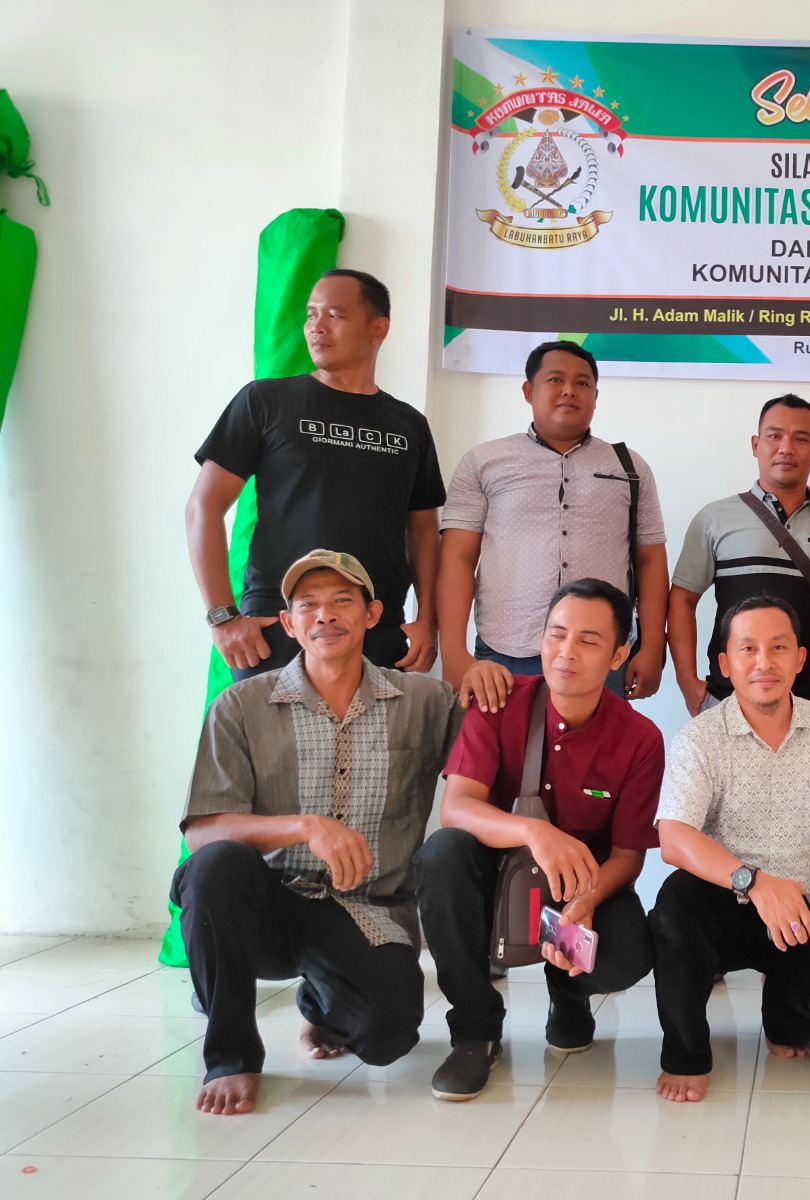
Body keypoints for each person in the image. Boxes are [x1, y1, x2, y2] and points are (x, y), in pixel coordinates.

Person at [172, 550, 462, 1116]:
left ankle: (320, 1002)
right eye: (308, 605)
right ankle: (231, 1056)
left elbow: (485, 762)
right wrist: (307, 827)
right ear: (288, 623)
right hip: (266, 907)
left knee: (388, 1037)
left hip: (368, 910)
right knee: (215, 867)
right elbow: (202, 832)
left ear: (372, 614)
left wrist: (484, 675)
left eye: (341, 601)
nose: (325, 615)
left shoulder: (426, 702)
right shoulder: (242, 705)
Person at [414, 578, 664, 1101]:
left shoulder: (641, 739)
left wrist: (585, 903)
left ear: (619, 655)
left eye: (588, 641)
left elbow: (628, 857)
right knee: (442, 855)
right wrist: (535, 831)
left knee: (626, 954)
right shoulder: (500, 702)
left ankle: (568, 995)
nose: (566, 652)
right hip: (495, 885)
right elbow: (456, 808)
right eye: (556, 634)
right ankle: (475, 1032)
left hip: (576, 892)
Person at [650, 596, 810, 1103]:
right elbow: (674, 836)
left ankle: (782, 1014)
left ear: (799, 659)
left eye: (778, 648)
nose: (764, 662)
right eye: (748, 649)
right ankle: (686, 1054)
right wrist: (755, 883)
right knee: (675, 905)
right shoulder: (700, 739)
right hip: (729, 902)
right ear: (725, 664)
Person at [186, 270, 445, 680]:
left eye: (335, 315)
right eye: (311, 314)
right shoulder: (265, 401)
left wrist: (427, 621)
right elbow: (203, 506)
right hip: (279, 625)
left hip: (376, 626)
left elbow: (424, 530)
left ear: (378, 329)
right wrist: (222, 617)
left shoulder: (409, 425)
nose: (316, 327)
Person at [437, 339, 668, 700]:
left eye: (582, 383)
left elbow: (650, 561)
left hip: (602, 657)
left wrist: (653, 647)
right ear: (529, 391)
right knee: (501, 740)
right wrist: (453, 652)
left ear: (595, 396)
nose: (569, 391)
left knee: (597, 741)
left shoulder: (630, 468)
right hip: (505, 654)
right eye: (555, 379)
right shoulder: (484, 462)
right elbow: (457, 558)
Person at [668, 394, 810, 719]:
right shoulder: (714, 519)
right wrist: (686, 681)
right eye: (775, 436)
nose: (786, 448)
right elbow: (682, 599)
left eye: (800, 438)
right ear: (755, 444)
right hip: (730, 701)